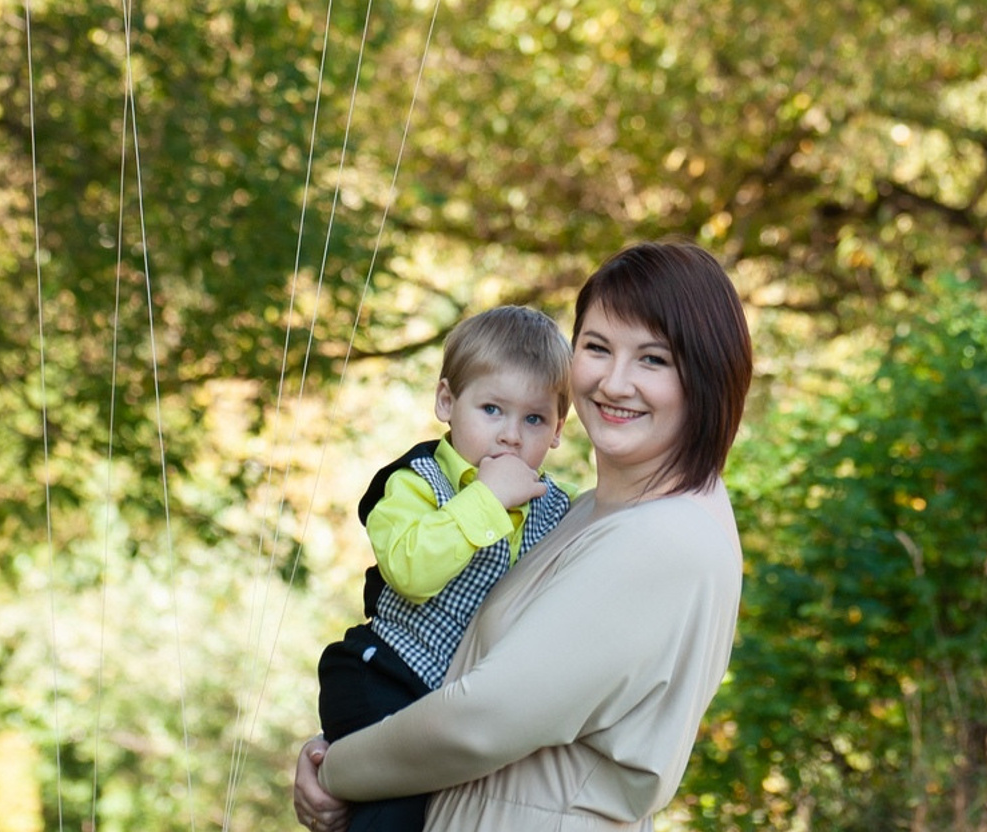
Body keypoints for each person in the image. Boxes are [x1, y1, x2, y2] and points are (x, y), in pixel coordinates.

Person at [293, 240, 751, 832]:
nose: (614, 382)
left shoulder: (666, 540)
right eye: (596, 347)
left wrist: (337, 770)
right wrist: (348, 737)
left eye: (653, 359)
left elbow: (479, 721)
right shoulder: (585, 513)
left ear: (707, 374)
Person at [317, 306, 575, 832]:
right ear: (447, 402)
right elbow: (410, 570)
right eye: (492, 409)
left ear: (557, 430)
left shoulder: (557, 509)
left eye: (533, 418)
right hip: (382, 674)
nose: (510, 435)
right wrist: (485, 500)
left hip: (456, 708)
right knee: (394, 814)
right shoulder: (414, 483)